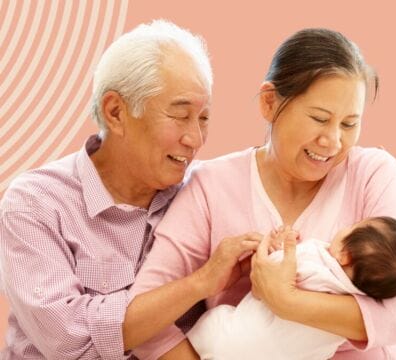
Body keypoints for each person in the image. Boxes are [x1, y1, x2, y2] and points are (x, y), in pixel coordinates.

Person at [129, 28, 396, 359]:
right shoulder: (211, 187)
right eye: (319, 118)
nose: (332, 141)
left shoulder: (372, 174)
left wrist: (286, 301)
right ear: (269, 102)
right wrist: (203, 282)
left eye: (349, 125)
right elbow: (142, 324)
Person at [0, 20, 263, 359]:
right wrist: (197, 283)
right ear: (115, 112)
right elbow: (66, 340)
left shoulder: (204, 193)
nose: (195, 139)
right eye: (180, 115)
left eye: (204, 118)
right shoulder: (35, 203)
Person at [187, 216, 396, 360]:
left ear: (344, 255)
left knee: (216, 318)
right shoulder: (353, 309)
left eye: (351, 227)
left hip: (225, 341)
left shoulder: (313, 258)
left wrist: (275, 247)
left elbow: (264, 283)